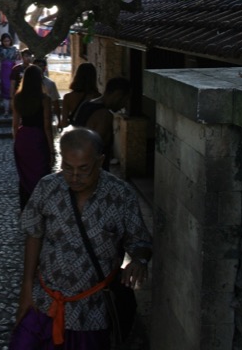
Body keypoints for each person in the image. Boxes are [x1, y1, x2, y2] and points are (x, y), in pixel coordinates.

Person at [9, 127, 152, 350]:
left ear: (100, 160)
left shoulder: (121, 195)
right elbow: (34, 236)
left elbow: (139, 240)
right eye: (68, 168)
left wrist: (139, 260)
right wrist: (27, 290)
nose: (74, 177)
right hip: (44, 302)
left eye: (83, 169)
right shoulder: (48, 187)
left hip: (92, 313)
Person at [12, 64, 55, 210]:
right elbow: (47, 126)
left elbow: (15, 125)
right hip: (38, 138)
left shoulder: (18, 98)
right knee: (41, 172)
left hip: (23, 137)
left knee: (24, 175)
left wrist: (17, 141)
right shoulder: (45, 99)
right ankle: (41, 206)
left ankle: (25, 206)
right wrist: (52, 150)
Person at [73, 77, 131, 171]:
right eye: (125, 100)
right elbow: (94, 149)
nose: (124, 105)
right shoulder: (105, 115)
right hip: (93, 173)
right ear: (118, 95)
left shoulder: (87, 104)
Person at [61, 62, 99, 128]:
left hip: (77, 132)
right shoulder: (97, 97)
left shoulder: (68, 97)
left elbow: (64, 123)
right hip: (92, 133)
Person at [0, 33, 19, 117]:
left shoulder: (14, 49)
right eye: (4, 41)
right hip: (4, 69)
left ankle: (14, 110)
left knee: (15, 88)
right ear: (2, 42)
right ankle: (6, 110)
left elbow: (18, 58)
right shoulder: (0, 48)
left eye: (8, 40)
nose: (6, 42)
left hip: (13, 68)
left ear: (11, 40)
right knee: (6, 88)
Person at [33, 57, 62, 131]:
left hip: (47, 116)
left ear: (45, 68)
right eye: (37, 66)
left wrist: (59, 120)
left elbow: (55, 103)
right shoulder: (26, 83)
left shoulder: (50, 84)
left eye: (41, 66)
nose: (39, 68)